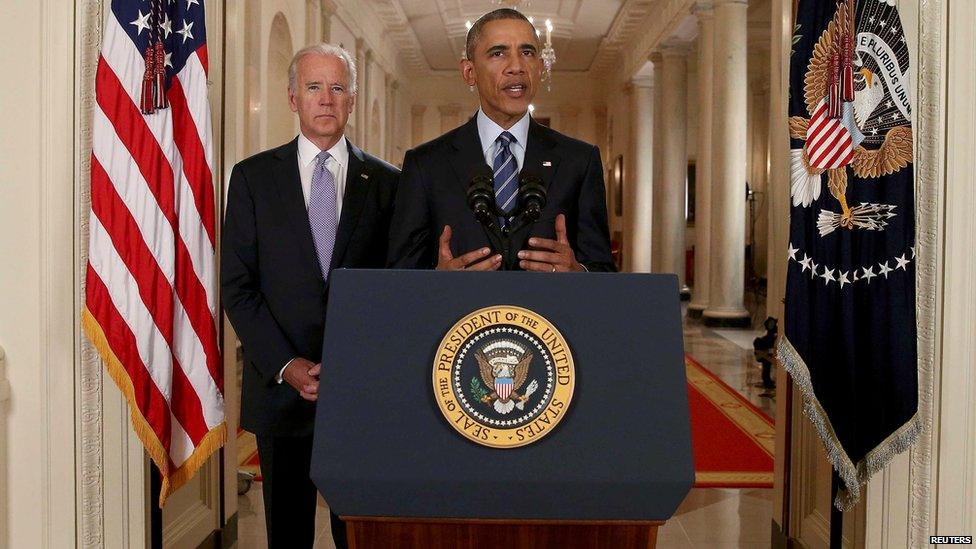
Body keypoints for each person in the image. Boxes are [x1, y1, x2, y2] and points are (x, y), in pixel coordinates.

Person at [221, 43, 398, 549]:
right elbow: (239, 285)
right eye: (315, 87)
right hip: (281, 390)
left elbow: (394, 288)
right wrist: (286, 364)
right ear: (293, 97)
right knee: (288, 537)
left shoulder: (388, 183)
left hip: (360, 393)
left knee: (361, 536)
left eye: (338, 88)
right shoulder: (254, 178)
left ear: (353, 99)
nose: (326, 99)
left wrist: (356, 363)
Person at [387, 8, 614, 272]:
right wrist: (437, 282)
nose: (517, 67)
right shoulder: (425, 165)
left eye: (527, 52)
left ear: (540, 68)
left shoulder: (580, 161)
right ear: (469, 72)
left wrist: (579, 274)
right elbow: (399, 276)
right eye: (499, 53)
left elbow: (603, 271)